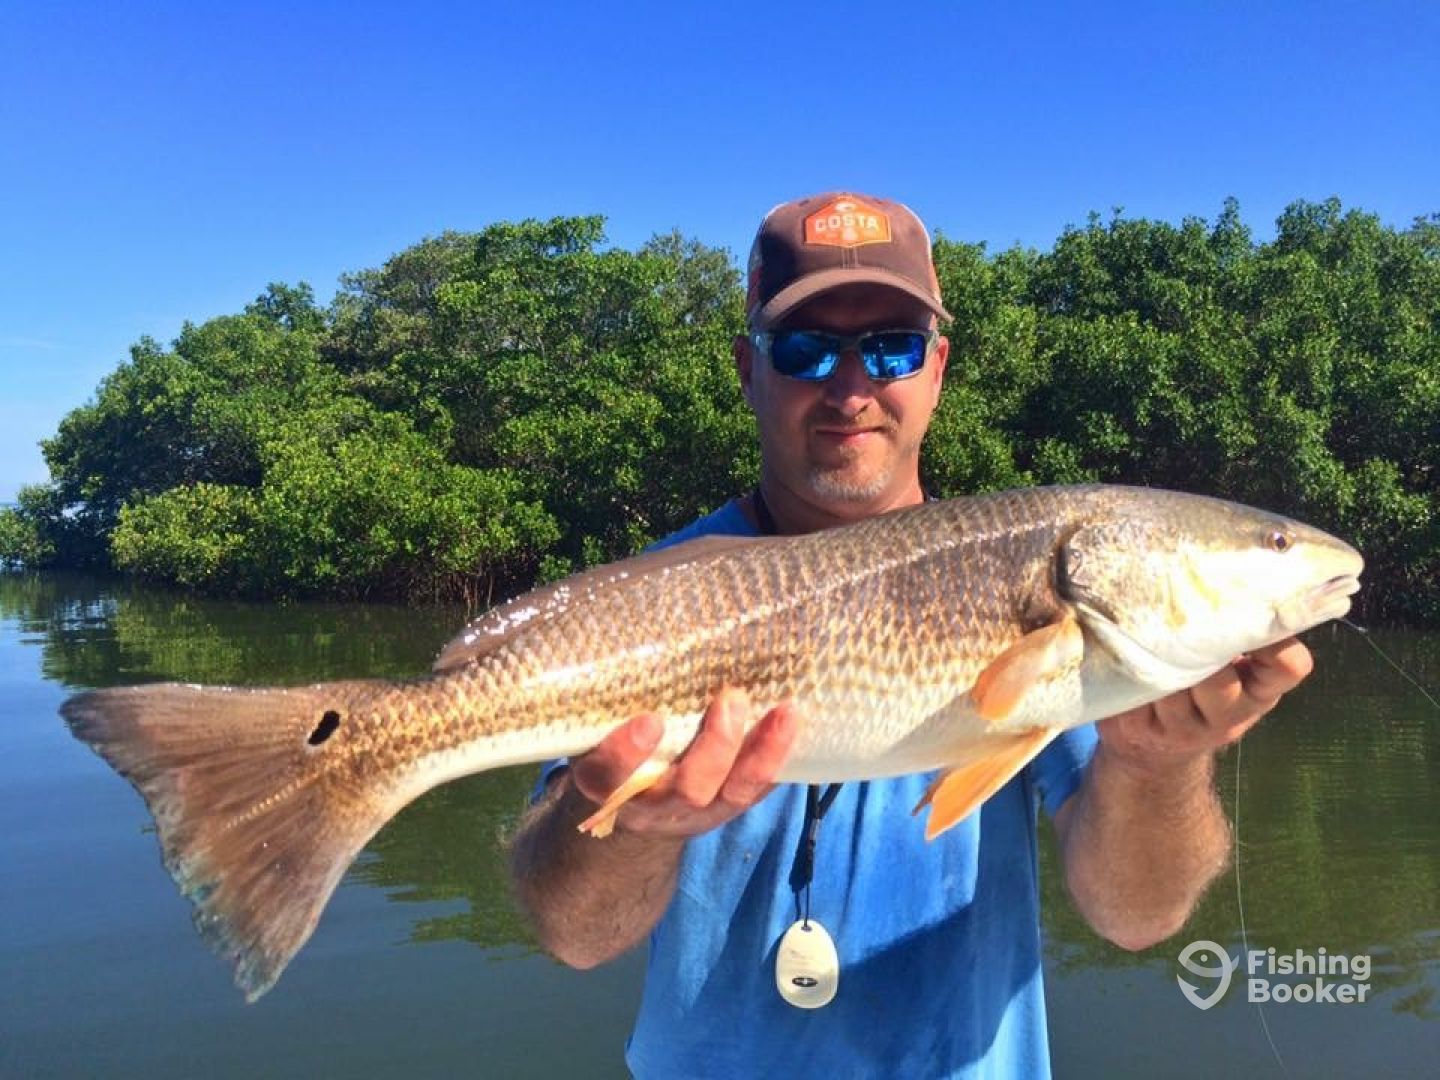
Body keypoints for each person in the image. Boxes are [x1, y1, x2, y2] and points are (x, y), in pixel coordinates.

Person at [507, 192, 1314, 1078]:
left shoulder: (1032, 577)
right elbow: (577, 936)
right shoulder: (654, 597)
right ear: (747, 369)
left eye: (891, 347)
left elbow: (1135, 917)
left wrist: (1156, 764)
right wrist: (635, 828)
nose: (851, 390)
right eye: (806, 348)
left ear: (935, 368)